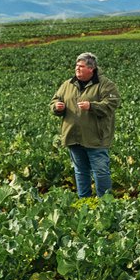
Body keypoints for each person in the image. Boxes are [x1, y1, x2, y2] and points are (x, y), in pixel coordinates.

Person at [50, 52, 120, 196]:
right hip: (73, 136)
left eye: (81, 66)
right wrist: (56, 106)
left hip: (95, 137)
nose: (77, 69)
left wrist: (92, 106)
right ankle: (84, 200)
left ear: (91, 69)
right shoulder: (67, 84)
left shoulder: (105, 84)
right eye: (76, 66)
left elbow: (112, 104)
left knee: (100, 171)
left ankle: (105, 203)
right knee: (80, 170)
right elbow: (54, 100)